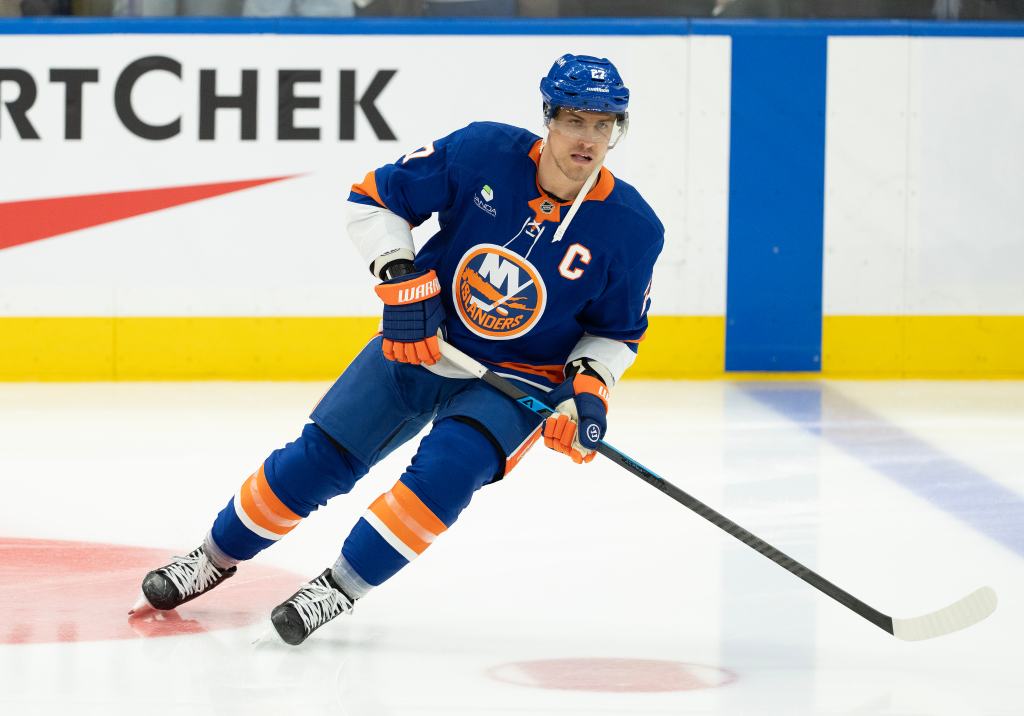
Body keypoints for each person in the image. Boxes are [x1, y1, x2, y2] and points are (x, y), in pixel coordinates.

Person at [130, 53, 664, 646]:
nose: (587, 138)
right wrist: (402, 280)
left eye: (603, 124)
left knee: (445, 475)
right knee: (320, 457)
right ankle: (212, 557)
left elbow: (616, 332)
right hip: (425, 337)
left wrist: (585, 393)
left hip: (518, 381)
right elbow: (373, 197)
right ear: (548, 117)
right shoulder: (481, 151)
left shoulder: (633, 228)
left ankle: (339, 587)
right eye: (574, 120)